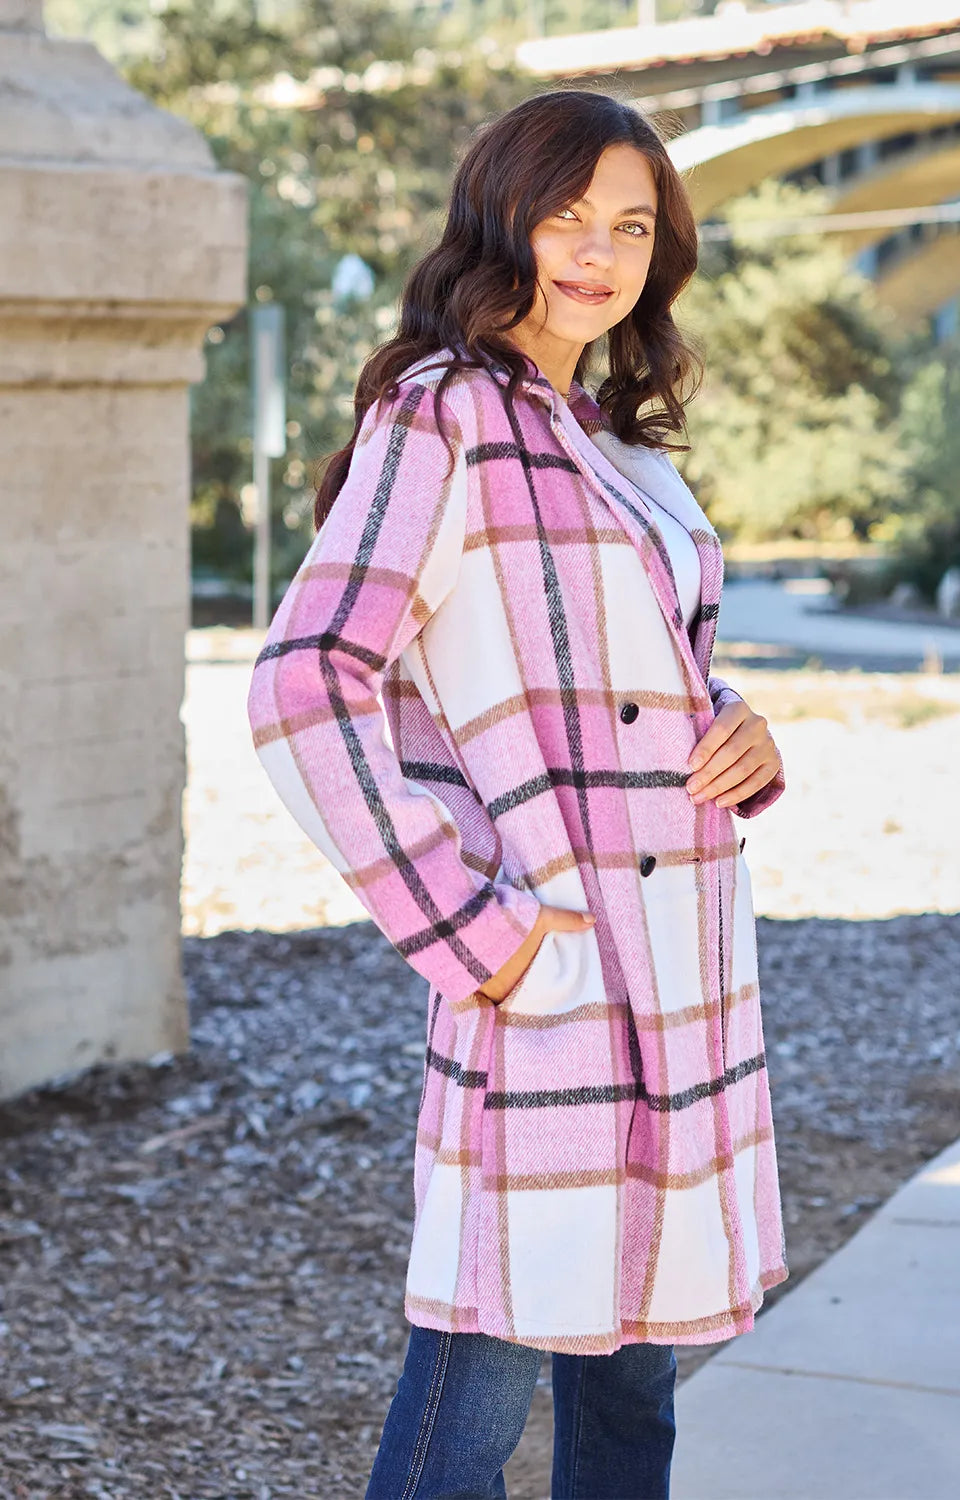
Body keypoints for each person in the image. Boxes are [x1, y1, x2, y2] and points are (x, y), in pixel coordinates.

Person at [247, 87, 787, 1500]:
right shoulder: (447, 417)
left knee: (634, 1392)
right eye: (566, 217)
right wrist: (481, 938)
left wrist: (740, 729)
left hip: (677, 973)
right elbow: (308, 681)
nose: (598, 253)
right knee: (470, 1399)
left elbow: (638, 671)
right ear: (504, 217)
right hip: (547, 965)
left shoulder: (605, 436)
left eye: (631, 224)